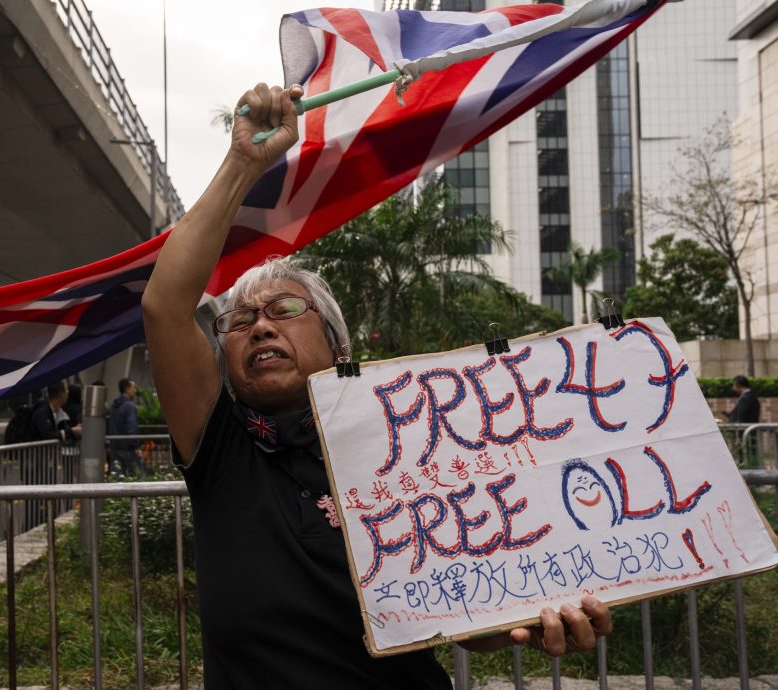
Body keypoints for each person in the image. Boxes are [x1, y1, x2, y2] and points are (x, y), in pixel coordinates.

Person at [141, 83, 612, 688]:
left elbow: (473, 612)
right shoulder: (220, 453)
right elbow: (164, 306)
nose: (259, 325)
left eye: (285, 308)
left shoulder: (414, 454)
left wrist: (537, 618)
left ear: (339, 348)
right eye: (239, 321)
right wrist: (244, 163)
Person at [107, 378, 141, 477]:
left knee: (117, 478)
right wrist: (136, 446)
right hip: (128, 449)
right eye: (134, 387)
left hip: (114, 447)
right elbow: (132, 427)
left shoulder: (113, 406)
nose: (135, 390)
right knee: (132, 477)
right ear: (127, 389)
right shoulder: (129, 406)